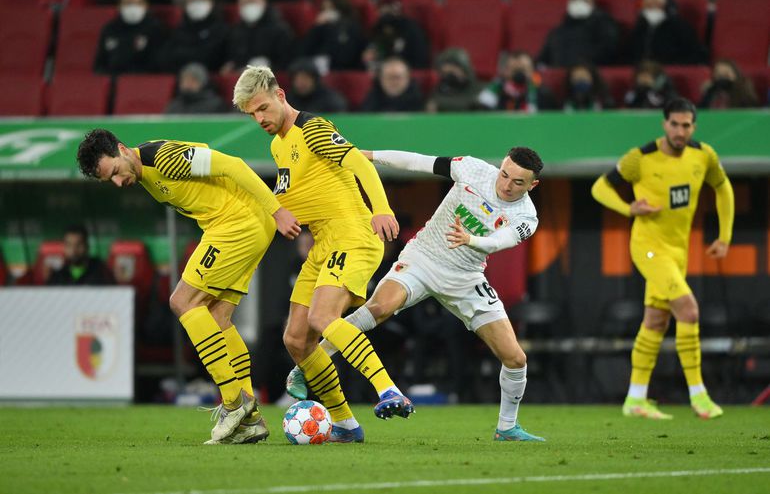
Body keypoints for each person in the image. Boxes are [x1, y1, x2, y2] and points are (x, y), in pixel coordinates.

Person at [284, 147, 546, 441]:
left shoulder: (526, 217)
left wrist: (470, 240)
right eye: (504, 174)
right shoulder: (473, 169)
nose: (506, 184)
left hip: (465, 277)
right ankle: (308, 364)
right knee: (378, 308)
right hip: (422, 258)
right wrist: (368, 155)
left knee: (515, 358)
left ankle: (507, 427)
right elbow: (417, 162)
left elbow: (499, 241)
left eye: (518, 182)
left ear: (532, 185)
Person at [76, 128, 301, 444]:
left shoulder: (163, 158)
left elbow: (233, 165)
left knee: (182, 301)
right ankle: (250, 421)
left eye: (114, 171)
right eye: (108, 180)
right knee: (218, 318)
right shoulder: (143, 173)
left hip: (237, 223)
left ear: (123, 150)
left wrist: (277, 210)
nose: (117, 182)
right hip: (243, 224)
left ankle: (233, 402)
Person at [232, 65, 411, 443]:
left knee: (323, 316)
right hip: (323, 244)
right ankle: (345, 424)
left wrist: (381, 208)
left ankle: (388, 390)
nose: (259, 119)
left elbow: (359, 162)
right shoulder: (277, 145)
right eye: (251, 114)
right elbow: (291, 197)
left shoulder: (312, 128)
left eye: (263, 108)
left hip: (353, 234)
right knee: (296, 339)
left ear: (280, 95)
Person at [590, 97, 734, 420]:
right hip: (648, 247)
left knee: (656, 321)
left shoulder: (704, 155)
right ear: (664, 124)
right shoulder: (640, 158)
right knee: (689, 310)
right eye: (675, 124)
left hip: (677, 251)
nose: (680, 131)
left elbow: (723, 188)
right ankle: (699, 395)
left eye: (686, 125)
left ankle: (635, 399)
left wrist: (724, 237)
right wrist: (629, 208)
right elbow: (600, 187)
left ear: (693, 126)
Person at [93, 0, 168, 75]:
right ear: (119, 6)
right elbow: (99, 65)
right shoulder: (110, 29)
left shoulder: (156, 29)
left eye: (138, 3)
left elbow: (158, 65)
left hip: (142, 80)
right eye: (128, 3)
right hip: (113, 79)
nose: (133, 7)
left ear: (146, 6)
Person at [537, 0, 620, 68]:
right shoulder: (557, 32)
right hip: (559, 75)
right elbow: (543, 60)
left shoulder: (605, 28)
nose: (578, 3)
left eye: (584, 0)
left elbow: (609, 53)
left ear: (593, 4)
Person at [221, 0, 295, 73]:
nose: (249, 5)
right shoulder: (235, 31)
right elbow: (230, 58)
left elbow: (286, 63)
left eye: (253, 1)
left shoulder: (280, 30)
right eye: (245, 2)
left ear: (264, 2)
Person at [626, 0, 708, 66]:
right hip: (641, 70)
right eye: (648, 6)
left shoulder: (680, 27)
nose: (652, 10)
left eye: (657, 5)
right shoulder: (639, 28)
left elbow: (695, 55)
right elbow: (627, 56)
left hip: (673, 69)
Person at [159, 0, 229, 72]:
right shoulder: (178, 30)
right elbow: (168, 57)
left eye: (201, 0)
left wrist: (184, 55)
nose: (197, 4)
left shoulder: (221, 30)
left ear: (211, 3)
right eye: (193, 0)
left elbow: (213, 57)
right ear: (186, 5)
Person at [299, 0, 367, 72]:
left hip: (340, 66)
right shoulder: (321, 25)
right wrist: (317, 26)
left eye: (329, 8)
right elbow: (305, 48)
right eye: (324, 9)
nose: (326, 12)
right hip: (321, 64)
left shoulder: (351, 26)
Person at [362, 0, 429, 70]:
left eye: (392, 8)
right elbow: (370, 53)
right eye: (384, 9)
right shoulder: (378, 28)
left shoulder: (411, 30)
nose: (388, 12)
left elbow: (419, 60)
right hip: (381, 70)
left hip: (405, 71)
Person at [478, 51, 558, 112]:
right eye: (514, 70)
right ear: (505, 72)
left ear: (532, 71)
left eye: (523, 70)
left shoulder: (543, 95)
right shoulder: (494, 92)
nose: (519, 75)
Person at [47, 224, 114, 286]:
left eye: (78, 245)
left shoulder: (101, 271)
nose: (73, 250)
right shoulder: (58, 275)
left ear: (87, 246)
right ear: (64, 247)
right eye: (69, 245)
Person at [426, 48, 484, 113]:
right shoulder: (438, 91)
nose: (449, 77)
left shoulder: (480, 91)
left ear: (465, 70)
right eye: (445, 74)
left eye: (453, 72)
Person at [360, 57, 424, 113]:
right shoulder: (374, 95)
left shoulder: (416, 97)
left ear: (407, 78)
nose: (394, 82)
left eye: (398, 77)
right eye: (389, 77)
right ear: (381, 79)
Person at [166, 62, 230, 114]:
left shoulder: (216, 105)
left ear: (203, 83)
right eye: (185, 80)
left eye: (193, 80)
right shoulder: (174, 106)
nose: (188, 84)